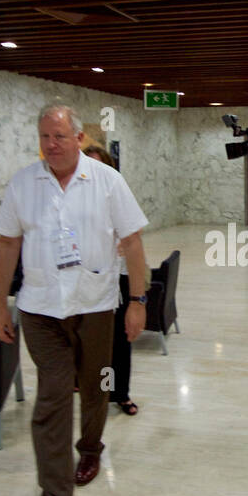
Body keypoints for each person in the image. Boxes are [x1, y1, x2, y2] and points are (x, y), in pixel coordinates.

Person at [0, 105, 149, 496]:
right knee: (54, 396)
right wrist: (0, 307)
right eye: (44, 137)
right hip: (41, 308)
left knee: (97, 382)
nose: (51, 145)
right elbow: (6, 244)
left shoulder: (106, 182)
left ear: (78, 138)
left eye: (59, 136)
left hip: (95, 304)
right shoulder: (25, 183)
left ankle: (92, 447)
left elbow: (132, 241)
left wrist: (137, 301)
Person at [84, 142, 141, 415]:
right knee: (89, 341)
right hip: (84, 280)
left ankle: (120, 393)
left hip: (117, 277)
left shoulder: (117, 192)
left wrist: (137, 299)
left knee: (119, 340)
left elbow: (132, 238)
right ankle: (93, 391)